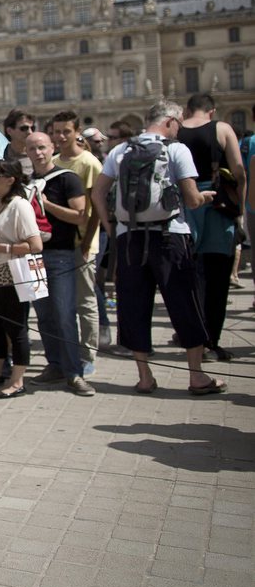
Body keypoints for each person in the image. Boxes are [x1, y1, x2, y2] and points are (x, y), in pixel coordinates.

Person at [90, 100, 225, 395]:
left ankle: (144, 376)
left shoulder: (120, 150)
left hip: (129, 238)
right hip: (169, 235)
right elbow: (190, 198)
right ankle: (196, 376)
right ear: (171, 122)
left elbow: (98, 193)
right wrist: (206, 197)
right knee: (183, 302)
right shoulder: (175, 149)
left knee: (133, 305)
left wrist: (113, 229)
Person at [177, 93, 245, 361]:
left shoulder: (177, 131)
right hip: (216, 207)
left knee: (189, 279)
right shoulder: (222, 128)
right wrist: (240, 207)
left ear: (187, 109)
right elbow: (239, 171)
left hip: (183, 207)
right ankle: (210, 342)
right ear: (212, 111)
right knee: (217, 280)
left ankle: (189, 336)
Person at [26, 130, 94, 396]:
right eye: (33, 149)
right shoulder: (28, 182)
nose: (38, 153)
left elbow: (80, 216)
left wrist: (47, 205)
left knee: (65, 314)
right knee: (44, 315)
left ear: (52, 147)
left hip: (61, 255)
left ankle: (73, 372)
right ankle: (54, 365)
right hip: (33, 256)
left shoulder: (68, 179)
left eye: (42, 147)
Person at [0, 160, 43, 399]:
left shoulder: (20, 205)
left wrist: (1, 248)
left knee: (16, 328)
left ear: (11, 179)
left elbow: (35, 245)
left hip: (14, 274)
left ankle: (17, 380)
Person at [52, 110, 103, 377]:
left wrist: (86, 242)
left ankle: (87, 355)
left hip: (83, 242)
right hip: (59, 243)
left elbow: (96, 208)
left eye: (66, 131)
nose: (60, 136)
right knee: (63, 304)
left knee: (84, 301)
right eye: (57, 131)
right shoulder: (53, 161)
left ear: (76, 132)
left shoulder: (89, 163)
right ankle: (66, 354)